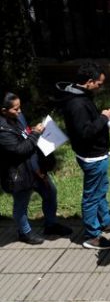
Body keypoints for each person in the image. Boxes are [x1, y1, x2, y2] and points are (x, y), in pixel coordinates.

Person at [55, 62, 110, 250]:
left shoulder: (80, 95)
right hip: (92, 156)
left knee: (100, 189)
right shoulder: (77, 104)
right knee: (92, 195)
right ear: (89, 82)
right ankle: (92, 235)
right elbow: (85, 132)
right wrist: (103, 118)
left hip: (94, 154)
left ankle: (107, 222)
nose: (101, 87)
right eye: (99, 84)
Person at [0, 93, 72, 244]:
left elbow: (25, 135)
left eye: (20, 107)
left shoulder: (18, 117)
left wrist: (33, 133)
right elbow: (19, 149)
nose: (19, 112)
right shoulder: (2, 131)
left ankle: (51, 224)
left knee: (50, 192)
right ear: (3, 110)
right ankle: (24, 232)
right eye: (15, 109)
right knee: (21, 203)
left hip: (34, 166)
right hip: (18, 173)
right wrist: (35, 134)